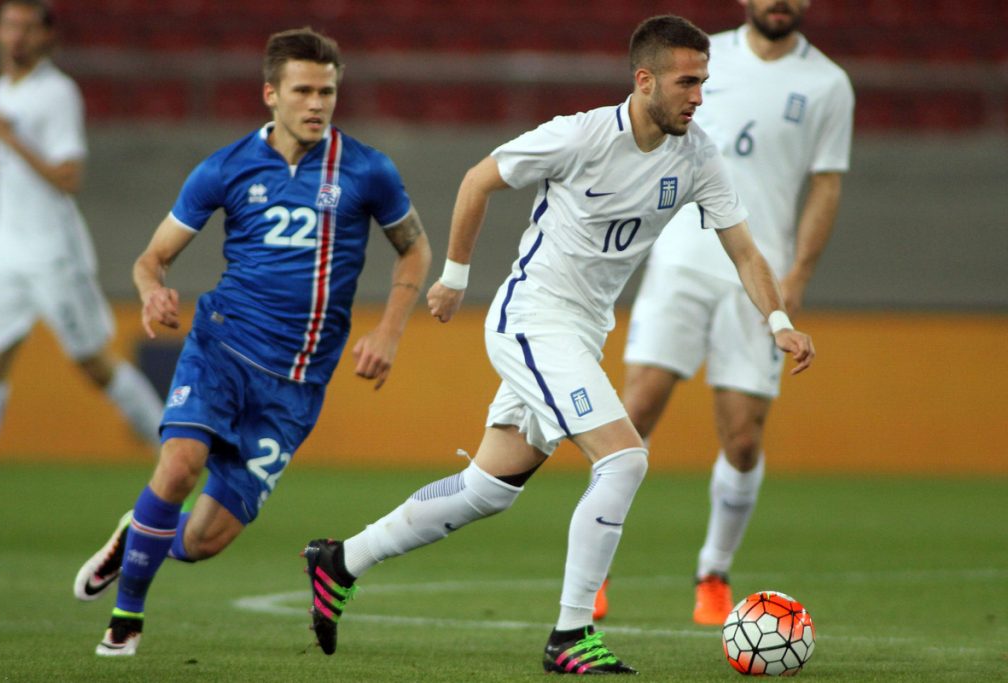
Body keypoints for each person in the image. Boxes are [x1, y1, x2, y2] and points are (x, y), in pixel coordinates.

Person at [302, 14, 814, 676]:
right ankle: (571, 634)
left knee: (488, 489)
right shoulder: (580, 135)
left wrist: (778, 322)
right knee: (624, 459)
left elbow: (744, 251)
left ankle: (340, 561)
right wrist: (454, 277)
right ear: (645, 80)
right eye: (686, 82)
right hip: (533, 319)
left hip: (580, 332)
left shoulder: (697, 157)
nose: (698, 96)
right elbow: (478, 179)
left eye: (703, 82)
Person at [72, 27, 432, 656]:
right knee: (178, 467)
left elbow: (415, 249)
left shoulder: (367, 169)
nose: (316, 104)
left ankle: (140, 534)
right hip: (222, 348)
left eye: (327, 92)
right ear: (271, 94)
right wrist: (153, 291)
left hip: (297, 383)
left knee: (204, 541)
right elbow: (151, 259)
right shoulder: (225, 167)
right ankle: (125, 621)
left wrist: (390, 331)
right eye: (303, 91)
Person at [596, 0, 854, 626]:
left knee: (741, 439)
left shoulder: (827, 84)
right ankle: (593, 569)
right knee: (634, 413)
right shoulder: (698, 61)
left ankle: (713, 570)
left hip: (759, 274)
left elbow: (826, 184)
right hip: (680, 260)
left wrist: (799, 274)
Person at [0, 0, 164, 467]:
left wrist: (9, 138)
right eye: (10, 25)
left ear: (47, 37)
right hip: (6, 248)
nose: (17, 35)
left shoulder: (57, 93)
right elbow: (5, 168)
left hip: (51, 253)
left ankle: (172, 453)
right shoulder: (3, 89)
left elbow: (68, 177)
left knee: (93, 364)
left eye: (28, 27)